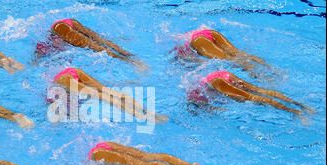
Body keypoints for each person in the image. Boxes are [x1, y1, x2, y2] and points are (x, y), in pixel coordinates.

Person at [51, 68, 168, 123]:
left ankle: (143, 115)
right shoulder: (66, 88)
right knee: (110, 92)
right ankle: (146, 111)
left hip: (67, 81)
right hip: (72, 72)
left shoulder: (65, 89)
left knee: (107, 97)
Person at [188, 71, 317, 116]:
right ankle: (301, 105)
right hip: (219, 75)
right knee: (261, 91)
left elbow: (215, 107)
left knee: (255, 98)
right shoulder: (193, 90)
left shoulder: (196, 100)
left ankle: (296, 112)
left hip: (217, 82)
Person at [35, 19, 147, 70]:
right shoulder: (45, 45)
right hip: (67, 22)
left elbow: (36, 60)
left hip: (62, 30)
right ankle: (130, 55)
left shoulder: (45, 46)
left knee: (98, 48)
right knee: (100, 39)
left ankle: (132, 62)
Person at [172, 28, 269, 78]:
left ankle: (262, 77)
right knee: (239, 53)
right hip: (207, 32)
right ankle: (268, 66)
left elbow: (199, 62)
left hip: (198, 41)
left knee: (230, 60)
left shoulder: (181, 57)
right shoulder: (180, 43)